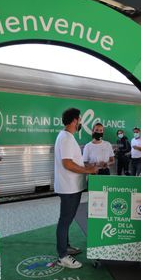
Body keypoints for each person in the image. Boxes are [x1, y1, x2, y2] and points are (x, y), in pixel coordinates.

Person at [54, 108, 98, 269]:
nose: (80, 123)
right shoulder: (65, 137)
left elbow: (74, 161)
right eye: (79, 120)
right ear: (74, 121)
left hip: (73, 186)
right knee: (65, 220)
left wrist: (87, 166)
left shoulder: (68, 137)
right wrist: (88, 170)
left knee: (68, 219)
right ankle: (62, 256)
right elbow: (67, 163)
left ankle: (66, 248)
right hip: (68, 187)